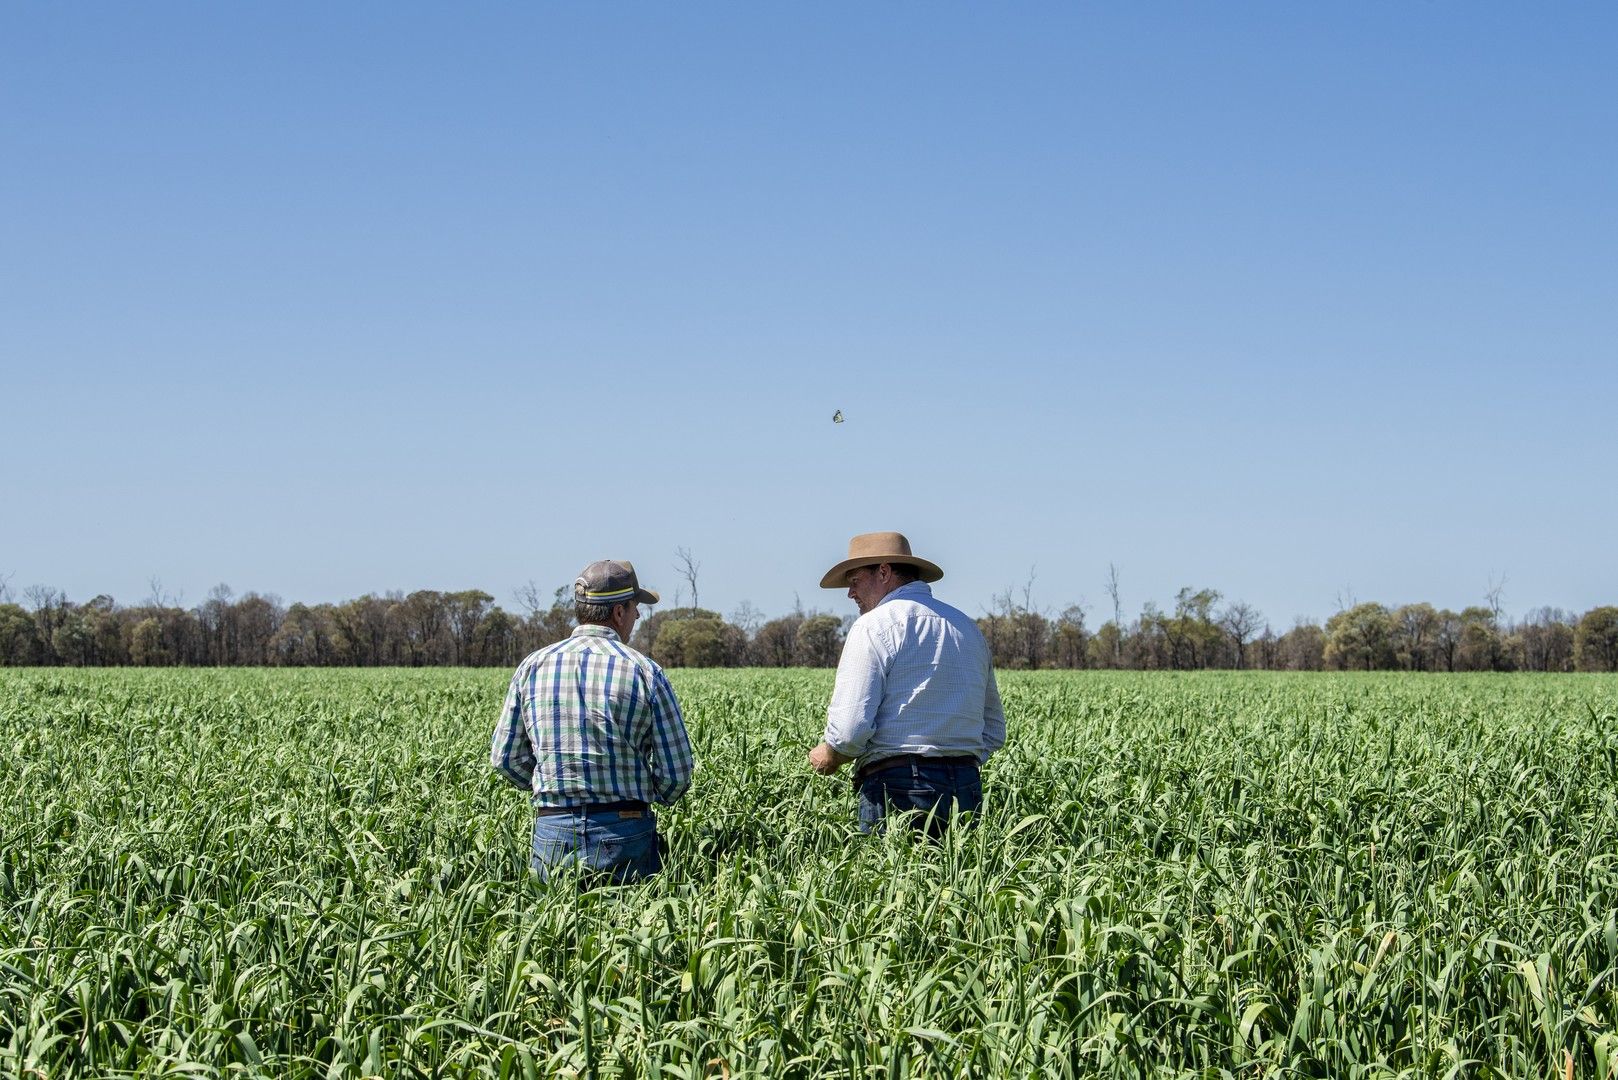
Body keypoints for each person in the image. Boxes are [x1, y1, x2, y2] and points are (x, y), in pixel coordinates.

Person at [491, 559, 693, 883]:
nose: (638, 615)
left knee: (553, 932)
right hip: (626, 829)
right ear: (618, 613)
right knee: (627, 929)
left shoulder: (532, 667)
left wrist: (555, 784)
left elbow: (505, 758)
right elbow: (677, 773)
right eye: (635, 607)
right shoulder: (644, 671)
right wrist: (644, 794)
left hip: (553, 829)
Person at [808, 532, 1005, 836]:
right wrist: (953, 761)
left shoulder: (873, 626)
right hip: (967, 786)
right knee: (956, 881)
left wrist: (830, 754)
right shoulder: (966, 628)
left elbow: (850, 731)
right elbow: (993, 730)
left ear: (884, 572)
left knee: (895, 882)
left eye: (855, 580)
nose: (850, 593)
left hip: (898, 787)